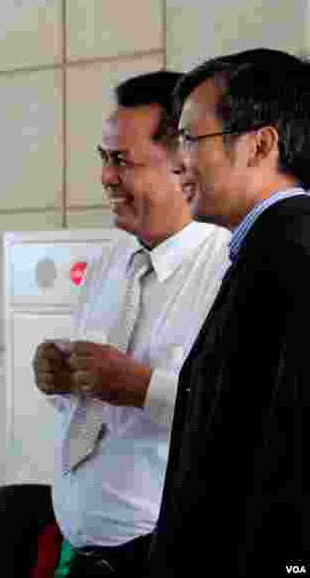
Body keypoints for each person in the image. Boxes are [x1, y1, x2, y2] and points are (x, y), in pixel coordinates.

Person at [32, 71, 230, 577]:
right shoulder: (110, 259)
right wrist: (58, 378)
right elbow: (91, 406)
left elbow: (234, 418)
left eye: (121, 161)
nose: (105, 177)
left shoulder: (227, 269)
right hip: (80, 551)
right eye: (103, 158)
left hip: (166, 555)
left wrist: (143, 389)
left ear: (182, 165)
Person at [148, 49, 310, 576]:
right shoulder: (266, 249)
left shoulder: (292, 257)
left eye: (191, 139)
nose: (177, 160)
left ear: (260, 143)